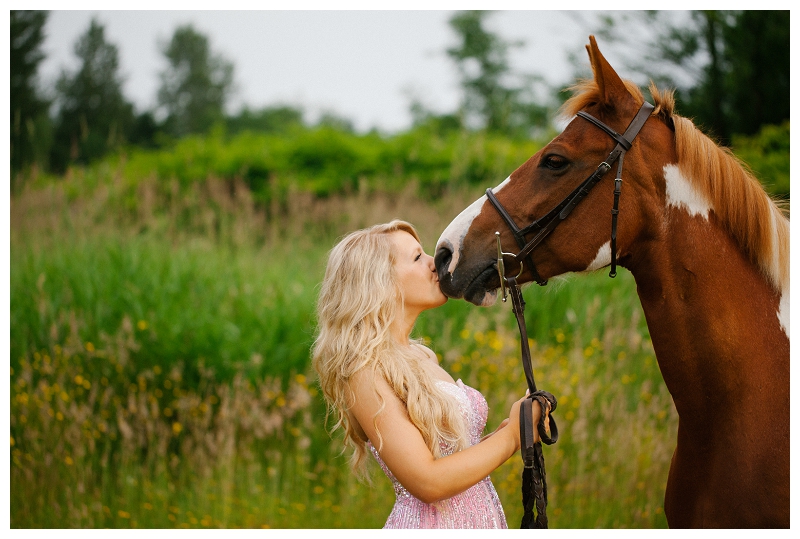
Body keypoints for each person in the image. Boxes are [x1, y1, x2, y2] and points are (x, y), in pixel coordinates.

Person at [312, 220, 546, 529]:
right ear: (379, 281)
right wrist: (511, 437)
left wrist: (516, 429)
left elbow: (452, 458)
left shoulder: (423, 356)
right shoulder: (364, 372)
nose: (435, 264)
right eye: (417, 257)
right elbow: (429, 482)